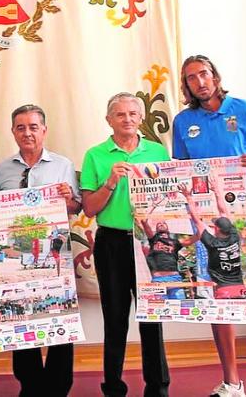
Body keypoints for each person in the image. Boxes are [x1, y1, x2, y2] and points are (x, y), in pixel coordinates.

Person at [172, 55, 246, 397]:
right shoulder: (183, 121)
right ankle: (233, 383)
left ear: (215, 76)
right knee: (218, 301)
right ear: (185, 85)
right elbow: (181, 172)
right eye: (191, 78)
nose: (199, 81)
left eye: (204, 74)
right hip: (209, 226)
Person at [81, 92, 170, 397]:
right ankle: (113, 387)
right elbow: (89, 208)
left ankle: (158, 388)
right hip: (112, 243)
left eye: (133, 113)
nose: (128, 119)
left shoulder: (158, 153)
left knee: (152, 318)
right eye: (120, 115)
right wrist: (109, 183)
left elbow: (171, 200)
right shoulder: (96, 155)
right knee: (115, 318)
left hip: (150, 244)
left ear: (141, 118)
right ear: (109, 120)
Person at [0, 104, 81, 397]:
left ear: (44, 130)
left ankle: (57, 388)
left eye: (33, 127)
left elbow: (76, 208)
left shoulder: (63, 165)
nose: (27, 132)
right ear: (13, 131)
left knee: (58, 321)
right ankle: (30, 387)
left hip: (53, 257)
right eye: (21, 127)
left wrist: (70, 199)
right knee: (20, 321)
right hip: (16, 263)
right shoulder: (2, 169)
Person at [179, 181, 246, 299]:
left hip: (223, 289)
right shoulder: (234, 236)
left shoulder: (212, 243)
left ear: (218, 229)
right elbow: (224, 212)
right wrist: (217, 191)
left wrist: (188, 197)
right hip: (240, 288)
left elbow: (196, 221)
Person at [137, 219, 198, 299]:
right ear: (156, 229)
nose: (161, 224)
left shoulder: (175, 242)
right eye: (159, 223)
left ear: (168, 228)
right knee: (159, 309)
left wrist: (197, 221)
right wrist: (153, 207)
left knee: (179, 307)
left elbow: (196, 237)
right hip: (158, 280)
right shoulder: (153, 239)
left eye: (164, 223)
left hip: (174, 280)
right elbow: (144, 221)